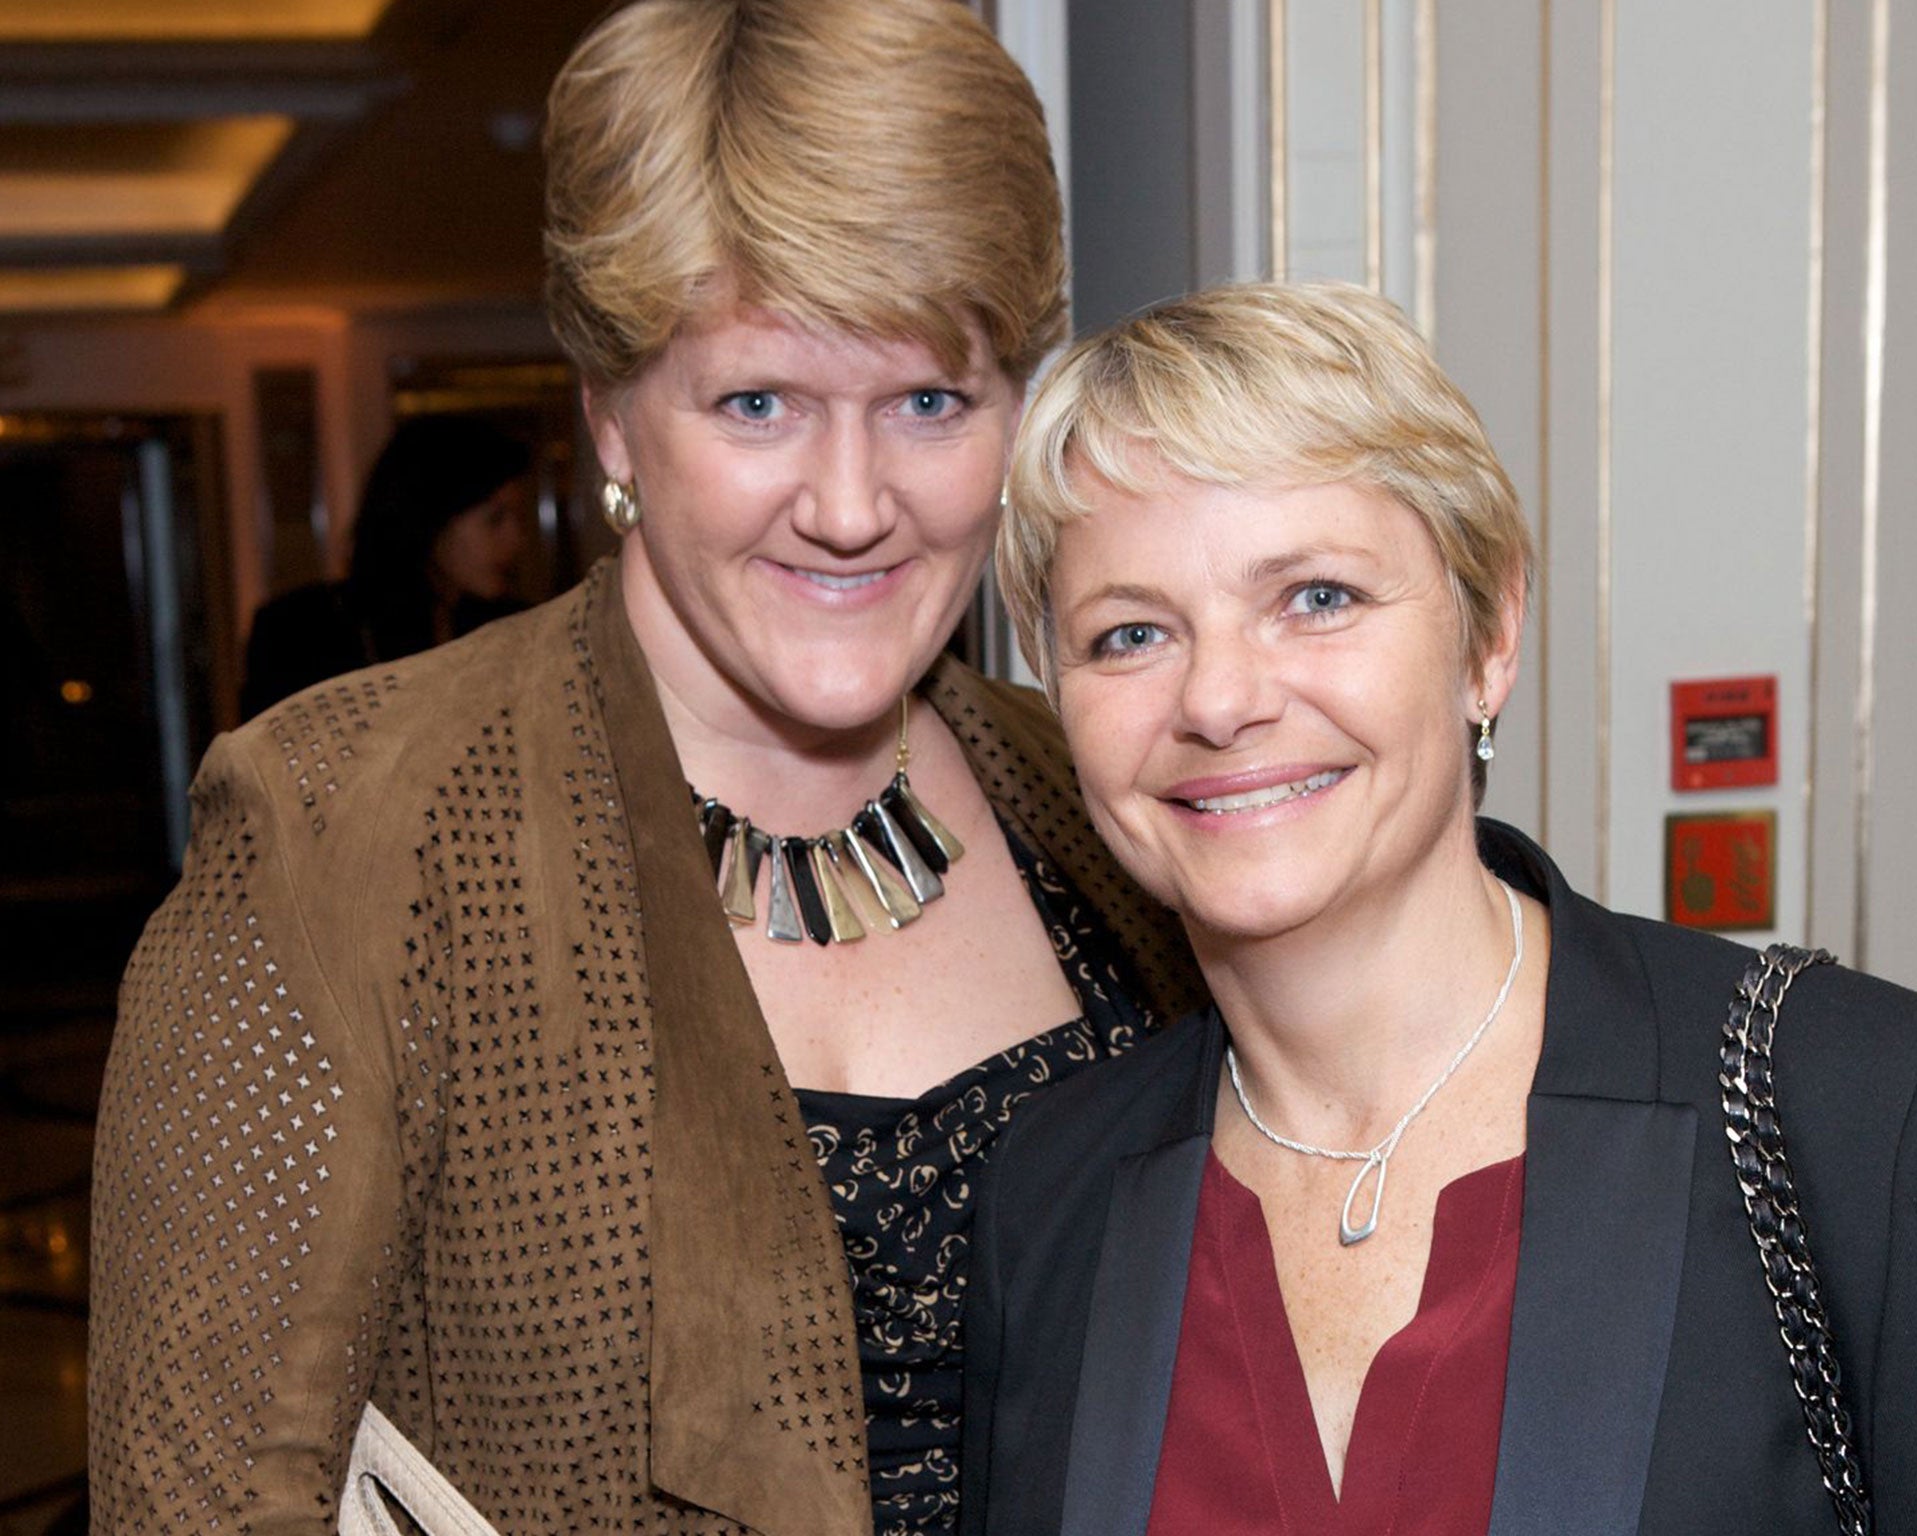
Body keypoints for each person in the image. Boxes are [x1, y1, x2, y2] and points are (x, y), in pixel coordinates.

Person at [89, 4, 1201, 1533]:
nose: (852, 504)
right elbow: (197, 1505)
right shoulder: (342, 829)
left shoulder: (1107, 797)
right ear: (609, 412)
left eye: (930, 402)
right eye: (759, 403)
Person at [963, 281, 1917, 1536]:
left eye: (1316, 597)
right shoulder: (1048, 1196)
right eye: (1129, 635)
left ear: (1488, 636)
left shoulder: (1865, 1114)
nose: (1219, 700)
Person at [238, 412, 533, 717]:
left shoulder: (512, 629)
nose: (516, 539)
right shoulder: (300, 632)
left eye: (518, 518)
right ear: (431, 520)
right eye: (495, 519)